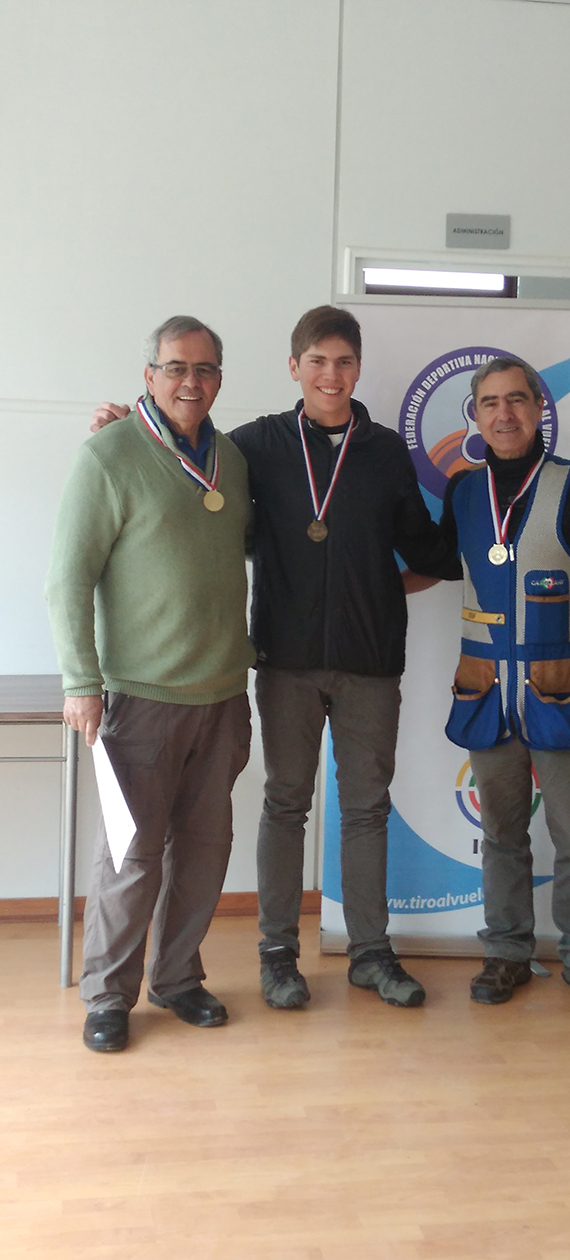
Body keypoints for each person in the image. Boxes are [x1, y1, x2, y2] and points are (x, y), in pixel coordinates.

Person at [90, 305, 458, 1011]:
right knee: (286, 805)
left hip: (370, 662)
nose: (331, 375)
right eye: (317, 361)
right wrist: (122, 431)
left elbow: (427, 550)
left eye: (343, 362)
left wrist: (433, 538)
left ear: (358, 368)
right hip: (284, 661)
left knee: (366, 808)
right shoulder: (254, 445)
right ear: (294, 367)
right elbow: (179, 461)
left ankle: (370, 952)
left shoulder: (384, 451)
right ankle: (277, 955)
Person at [47, 316, 254, 1052]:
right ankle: (108, 997)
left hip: (222, 696)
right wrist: (82, 681)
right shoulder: (108, 454)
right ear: (149, 376)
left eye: (204, 369)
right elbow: (68, 578)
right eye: (175, 368)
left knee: (202, 852)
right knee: (130, 858)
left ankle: (177, 979)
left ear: (219, 379)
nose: (190, 382)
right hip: (139, 699)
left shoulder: (232, 459)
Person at [409, 356, 570, 1013]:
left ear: (538, 408)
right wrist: (361, 582)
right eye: (489, 402)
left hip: (562, 688)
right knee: (501, 833)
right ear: (475, 416)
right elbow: (440, 565)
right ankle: (506, 951)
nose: (503, 414)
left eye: (515, 400)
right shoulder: (462, 491)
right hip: (486, 692)